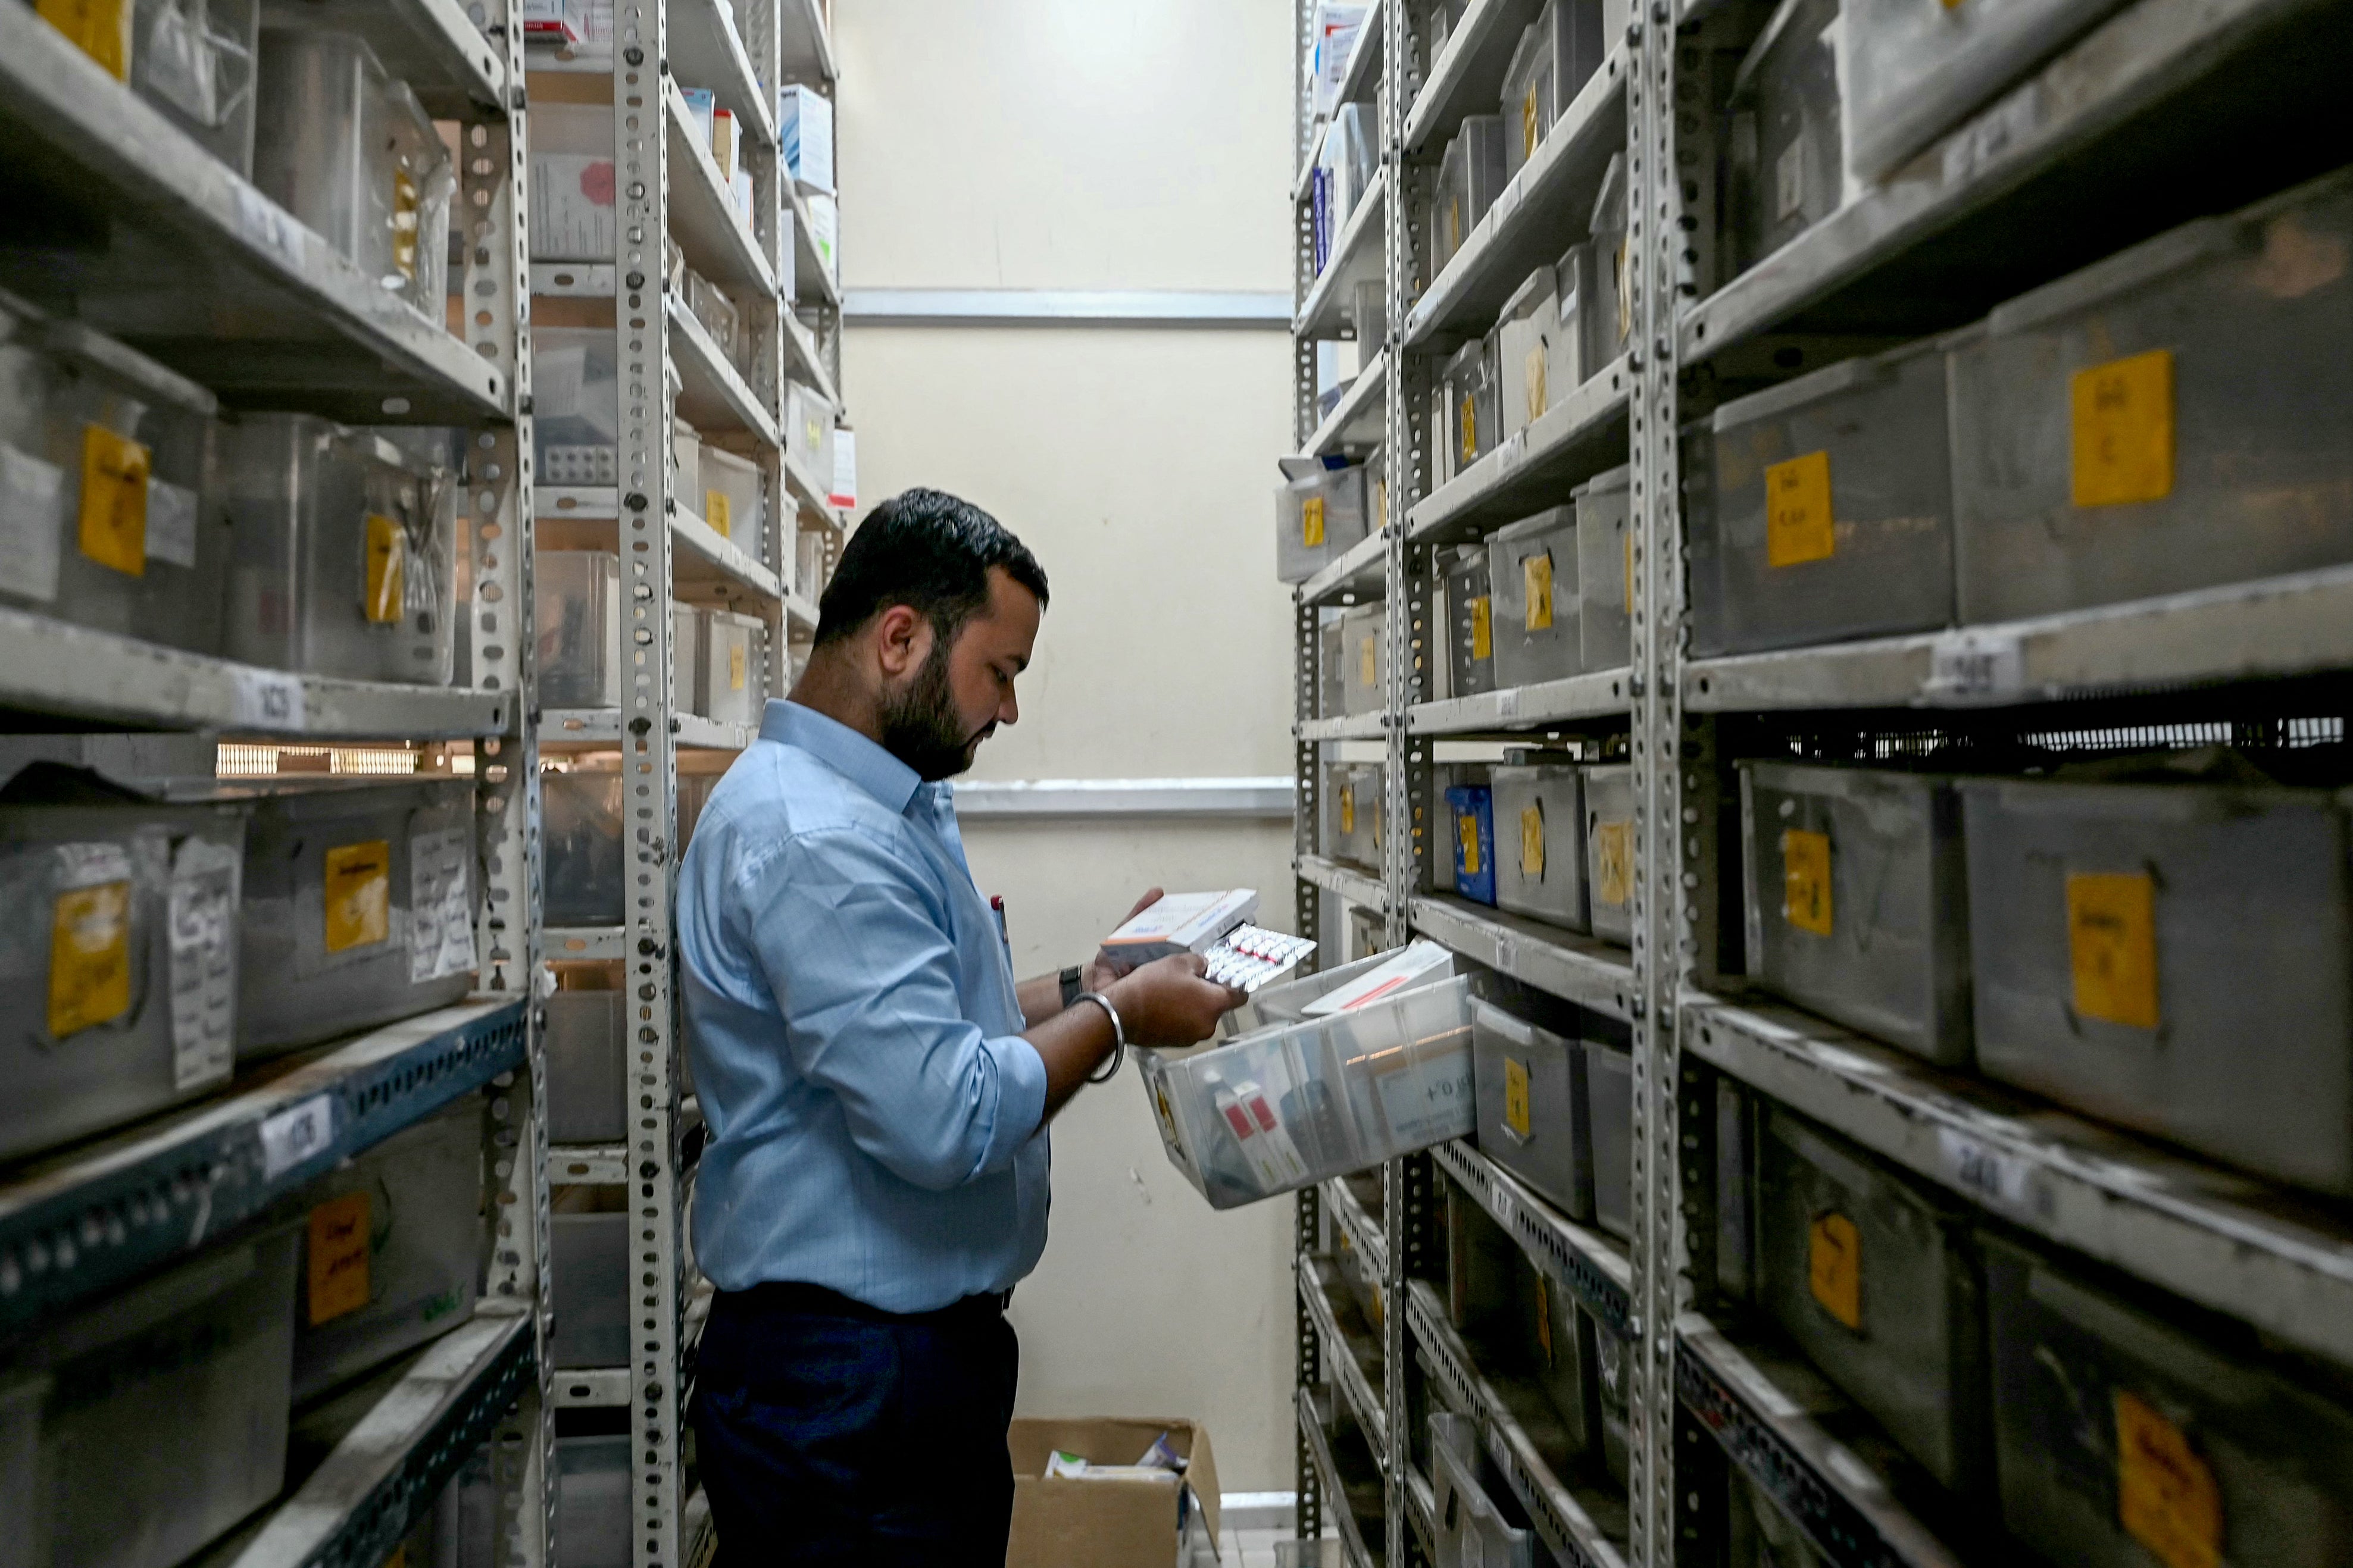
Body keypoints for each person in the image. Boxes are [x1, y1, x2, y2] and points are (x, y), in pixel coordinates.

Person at [676, 487, 1242, 1564]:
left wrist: (1089, 980)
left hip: (886, 1380)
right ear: (901, 638)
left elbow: (928, 1028)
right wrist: (1120, 1018)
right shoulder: (819, 841)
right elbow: (946, 1116)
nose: (1009, 711)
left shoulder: (885, 806)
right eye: (1003, 671)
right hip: (847, 1393)